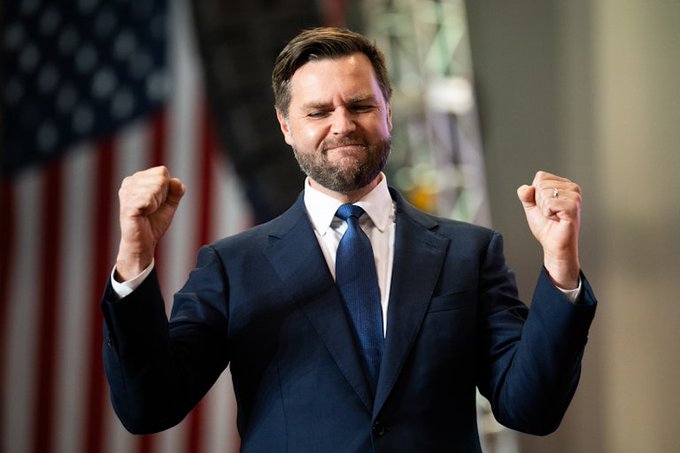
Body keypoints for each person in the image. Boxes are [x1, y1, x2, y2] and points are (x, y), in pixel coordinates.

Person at [101, 27, 596, 452]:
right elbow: (150, 407)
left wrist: (561, 265)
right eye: (318, 112)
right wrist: (135, 256)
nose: (343, 125)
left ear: (388, 113)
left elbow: (531, 408)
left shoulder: (470, 253)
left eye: (360, 105)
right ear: (285, 126)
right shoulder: (234, 266)